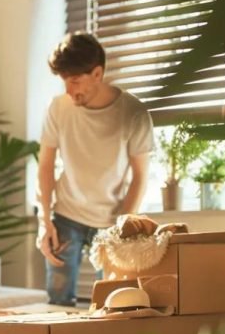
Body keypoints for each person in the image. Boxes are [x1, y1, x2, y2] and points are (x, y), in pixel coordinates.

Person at [36, 31, 154, 306]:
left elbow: (140, 176)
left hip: (112, 221)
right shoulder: (58, 108)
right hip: (66, 217)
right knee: (57, 302)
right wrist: (45, 221)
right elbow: (45, 166)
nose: (68, 90)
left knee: (115, 304)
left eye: (75, 80)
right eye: (64, 80)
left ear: (97, 73)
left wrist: (123, 228)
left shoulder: (133, 113)